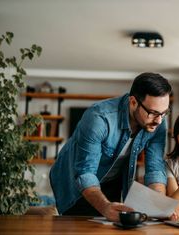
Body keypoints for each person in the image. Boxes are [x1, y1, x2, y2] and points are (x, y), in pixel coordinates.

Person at [50, 72, 172, 222]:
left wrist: (158, 204)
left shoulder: (158, 121)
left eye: (164, 113)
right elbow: (85, 173)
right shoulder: (99, 118)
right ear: (133, 102)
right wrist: (105, 206)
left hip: (112, 181)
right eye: (153, 113)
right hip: (76, 183)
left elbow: (155, 168)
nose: (159, 121)